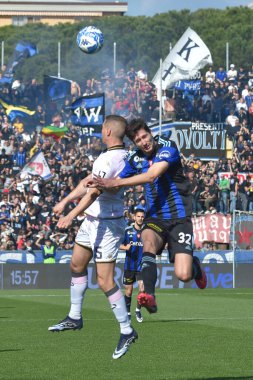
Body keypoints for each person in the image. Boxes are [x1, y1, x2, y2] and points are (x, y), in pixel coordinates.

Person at [91, 118, 207, 315]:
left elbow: (152, 175)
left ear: (150, 133)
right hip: (155, 217)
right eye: (138, 140)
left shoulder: (167, 146)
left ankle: (195, 266)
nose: (143, 142)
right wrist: (93, 185)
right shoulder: (135, 158)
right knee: (148, 243)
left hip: (179, 218)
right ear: (134, 143)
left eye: (145, 136)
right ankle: (149, 296)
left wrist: (114, 183)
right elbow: (115, 179)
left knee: (183, 274)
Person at [48, 115, 137, 360]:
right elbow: (87, 182)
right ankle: (74, 317)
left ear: (107, 131)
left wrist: (71, 215)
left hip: (107, 224)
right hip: (93, 221)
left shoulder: (109, 158)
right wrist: (65, 200)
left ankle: (126, 329)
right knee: (76, 264)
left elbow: (94, 192)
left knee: (105, 280)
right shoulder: (121, 156)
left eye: (101, 129)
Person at [120, 208, 145, 323]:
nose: (140, 218)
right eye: (138, 216)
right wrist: (125, 247)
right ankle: (128, 313)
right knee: (129, 292)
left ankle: (138, 310)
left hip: (141, 266)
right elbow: (118, 244)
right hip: (129, 266)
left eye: (142, 217)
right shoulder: (128, 231)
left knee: (142, 289)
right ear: (134, 217)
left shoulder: (146, 232)